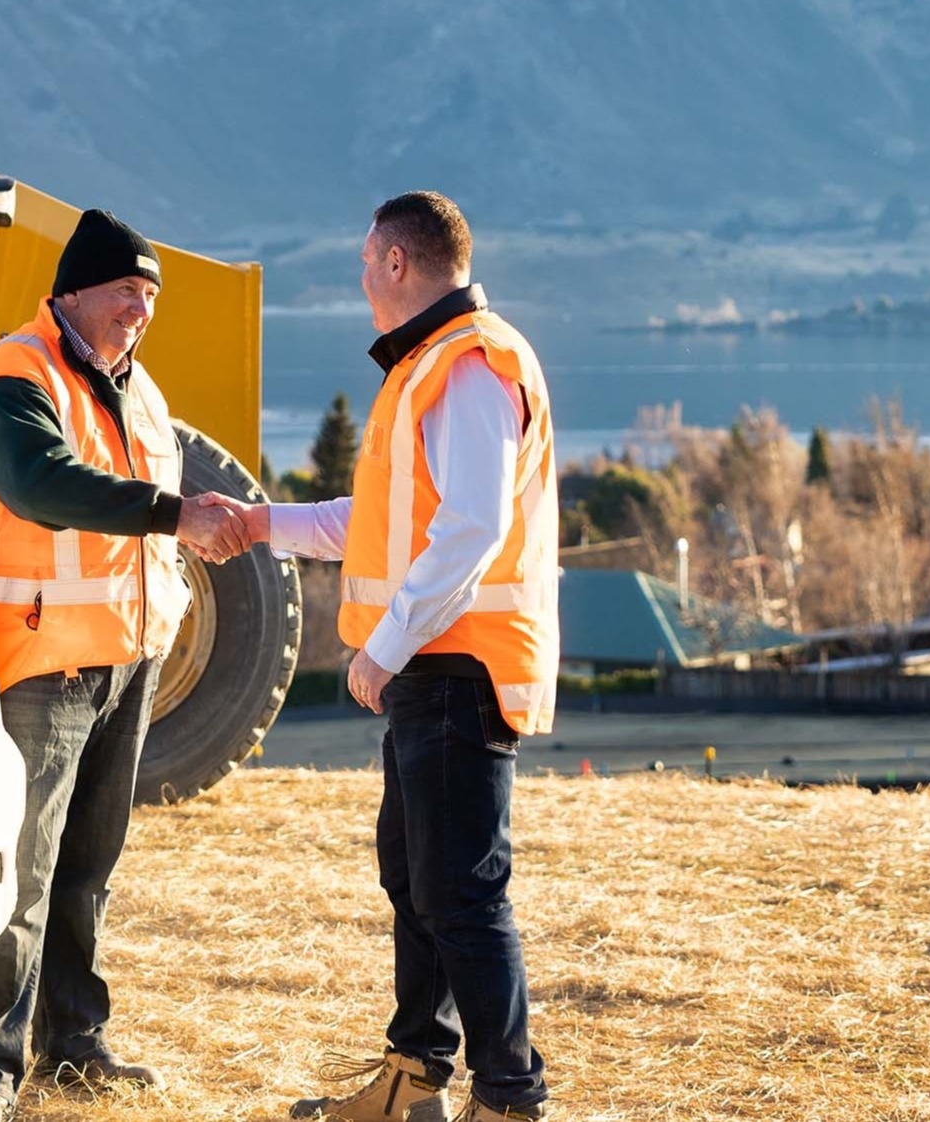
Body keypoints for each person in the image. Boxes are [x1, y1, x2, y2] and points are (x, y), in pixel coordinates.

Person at [205, 191, 558, 1122]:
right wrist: (261, 526)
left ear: (399, 263)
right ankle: (413, 1081)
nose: (361, 280)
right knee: (416, 881)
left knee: (462, 894)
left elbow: (473, 526)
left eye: (367, 263)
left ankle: (512, 1100)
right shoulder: (427, 369)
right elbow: (385, 525)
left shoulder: (470, 365)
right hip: (432, 670)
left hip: (456, 667)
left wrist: (384, 646)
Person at [0, 209, 249, 1122]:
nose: (140, 311)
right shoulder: (8, 380)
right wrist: (175, 514)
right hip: (41, 664)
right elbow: (41, 486)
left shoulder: (135, 387)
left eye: (150, 297)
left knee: (87, 866)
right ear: (72, 290)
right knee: (22, 873)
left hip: (128, 661)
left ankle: (73, 1046)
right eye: (126, 291)